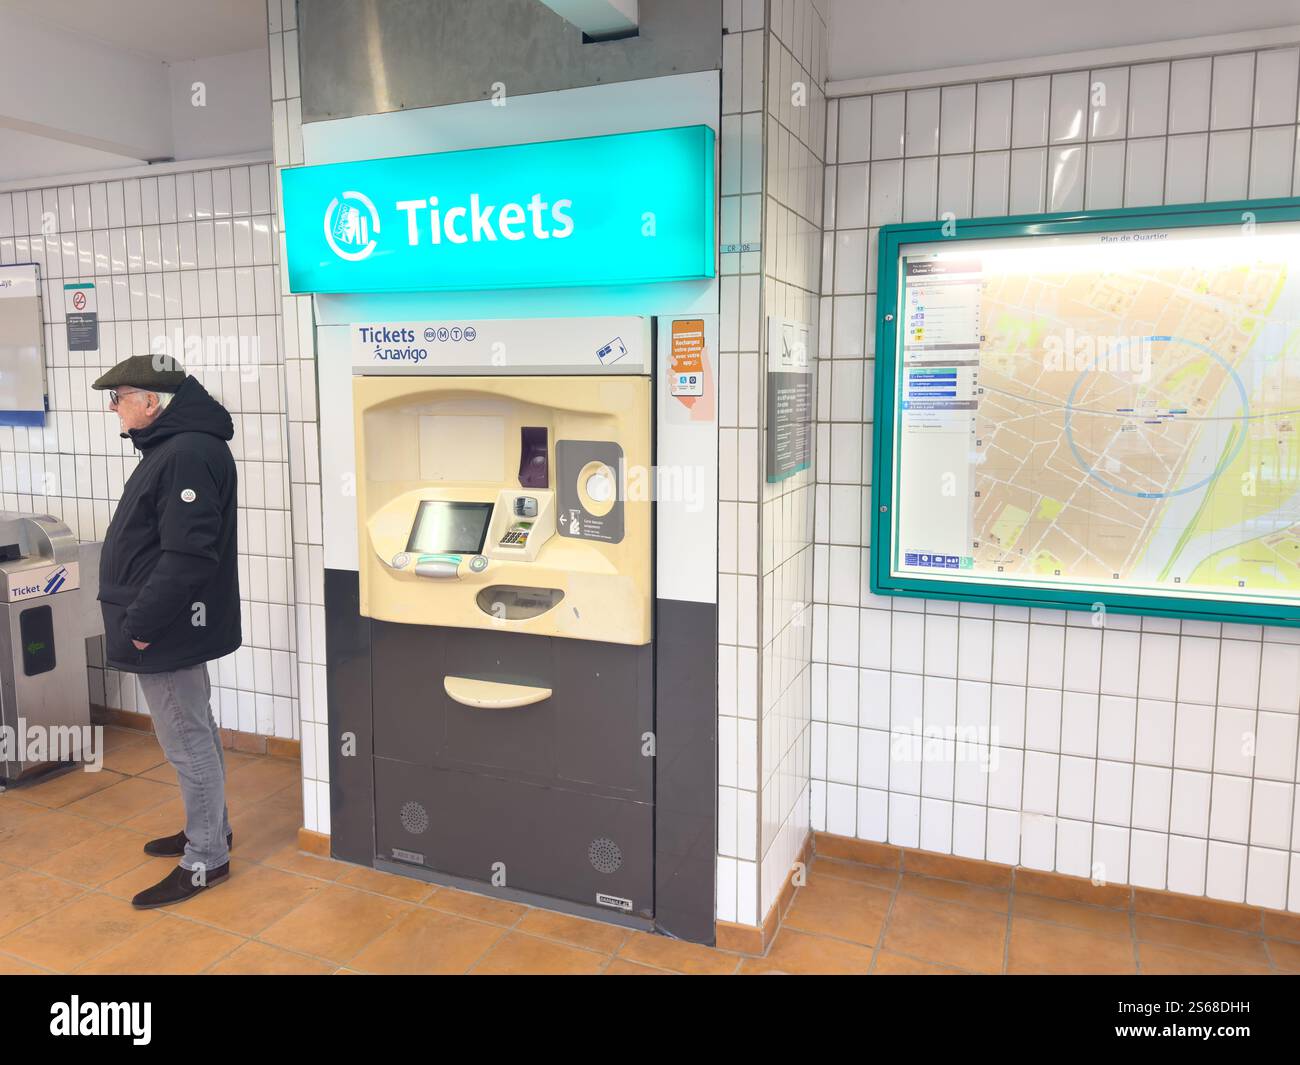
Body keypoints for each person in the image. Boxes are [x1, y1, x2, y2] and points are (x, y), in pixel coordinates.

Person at [92, 355, 241, 908]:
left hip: (166, 629)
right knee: (195, 728)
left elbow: (186, 556)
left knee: (186, 740)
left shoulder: (184, 453)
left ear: (151, 403)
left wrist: (141, 627)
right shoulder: (180, 447)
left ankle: (205, 858)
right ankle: (211, 829)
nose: (114, 408)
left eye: (120, 397)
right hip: (173, 626)